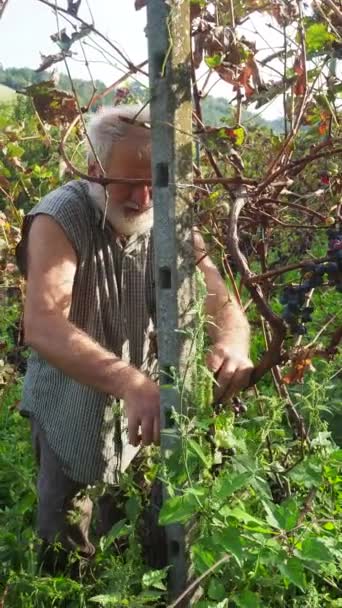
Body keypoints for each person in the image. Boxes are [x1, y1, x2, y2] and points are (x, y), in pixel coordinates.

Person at [16, 104, 253, 572]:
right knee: (65, 537)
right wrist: (130, 382)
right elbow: (43, 323)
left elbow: (222, 303)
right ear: (93, 170)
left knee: (122, 523)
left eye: (155, 183)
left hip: (135, 417)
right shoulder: (59, 218)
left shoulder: (168, 216)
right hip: (67, 405)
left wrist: (234, 342)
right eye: (129, 183)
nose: (145, 199)